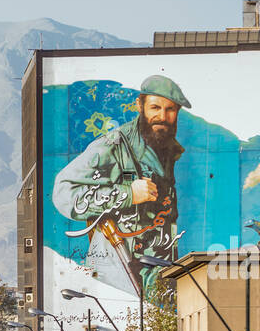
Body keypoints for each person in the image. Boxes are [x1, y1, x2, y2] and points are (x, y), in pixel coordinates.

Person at [52, 75, 190, 299]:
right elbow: (63, 191)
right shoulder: (114, 146)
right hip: (119, 274)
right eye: (155, 107)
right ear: (140, 105)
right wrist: (128, 194)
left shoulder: (168, 149)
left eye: (170, 109)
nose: (162, 117)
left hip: (158, 274)